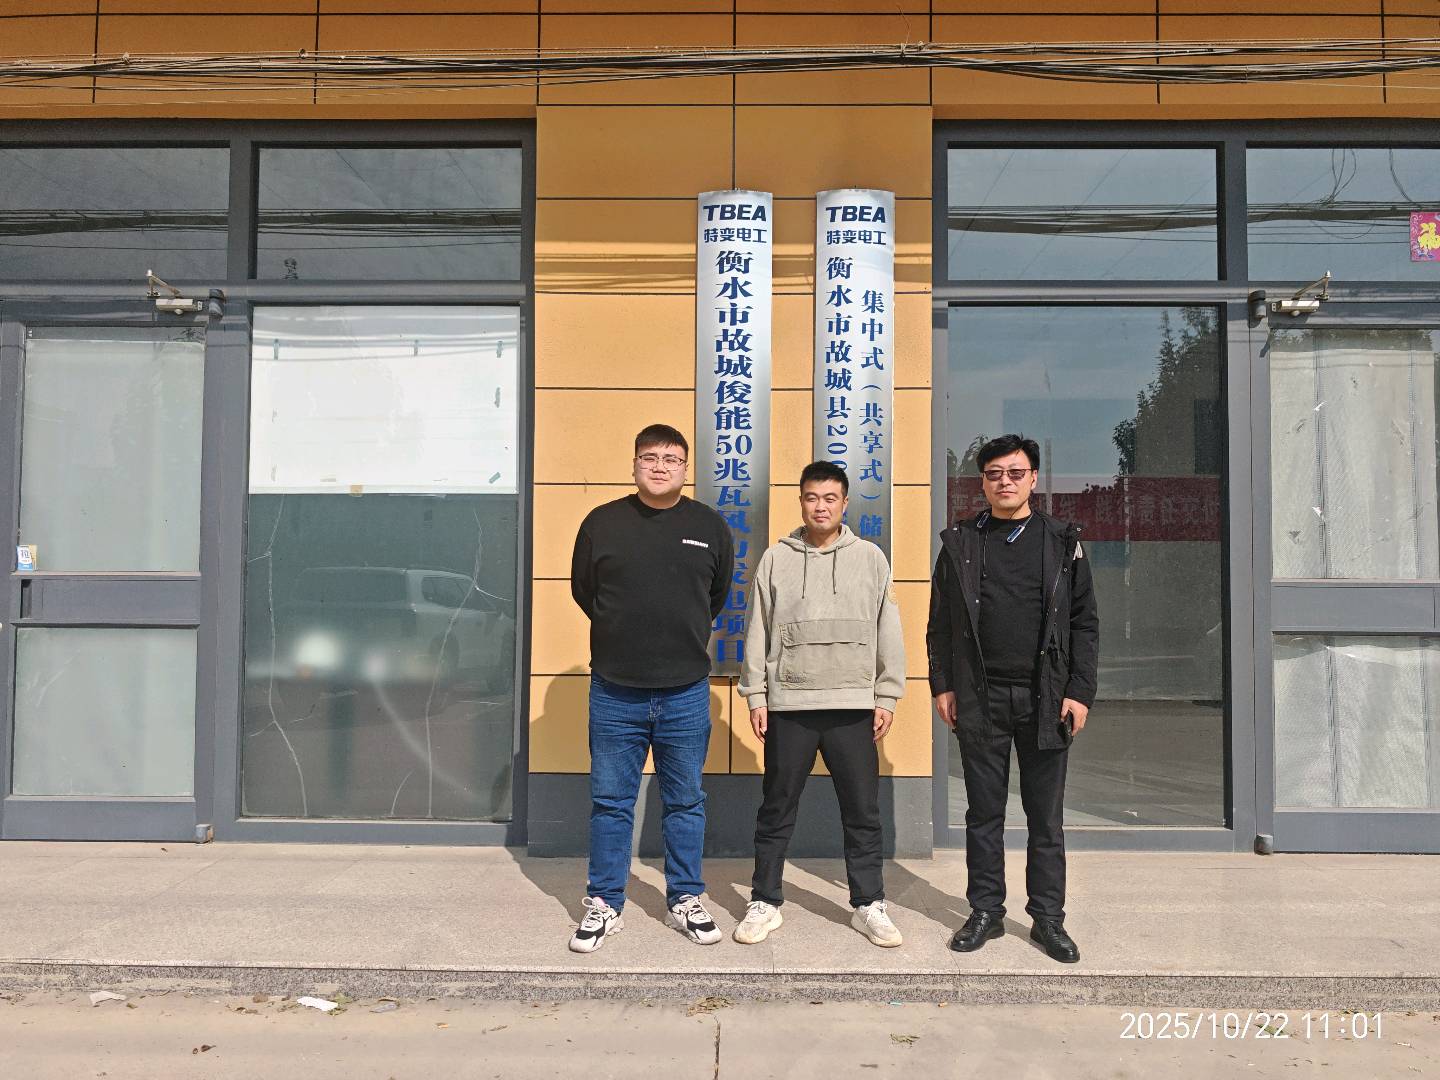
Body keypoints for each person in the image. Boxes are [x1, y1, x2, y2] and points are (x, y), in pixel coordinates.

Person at [926, 434, 1098, 964]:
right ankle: (986, 911)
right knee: (983, 813)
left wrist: (1079, 691)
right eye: (995, 473)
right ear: (982, 482)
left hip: (1046, 697)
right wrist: (943, 684)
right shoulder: (960, 543)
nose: (1005, 481)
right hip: (980, 696)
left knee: (1045, 817)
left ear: (1033, 479)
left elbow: (1085, 624)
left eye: (1016, 473)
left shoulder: (1061, 542)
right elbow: (939, 624)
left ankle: (1048, 918)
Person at [567, 424, 734, 953]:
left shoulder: (708, 526)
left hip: (685, 691)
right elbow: (585, 592)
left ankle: (685, 898)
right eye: (650, 457)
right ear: (635, 463)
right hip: (615, 690)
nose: (660, 467)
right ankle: (605, 903)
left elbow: (715, 595)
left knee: (685, 801)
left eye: (671, 459)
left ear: (685, 468)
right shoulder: (602, 523)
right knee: (611, 802)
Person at [734, 461, 906, 948]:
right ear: (801, 502)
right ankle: (765, 901)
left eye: (830, 498)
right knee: (776, 807)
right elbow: (758, 629)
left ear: (845, 503)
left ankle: (869, 904)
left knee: (862, 810)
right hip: (790, 703)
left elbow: (887, 629)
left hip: (853, 702)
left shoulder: (870, 558)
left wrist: (887, 694)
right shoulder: (776, 559)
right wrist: (756, 695)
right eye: (812, 497)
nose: (821, 506)